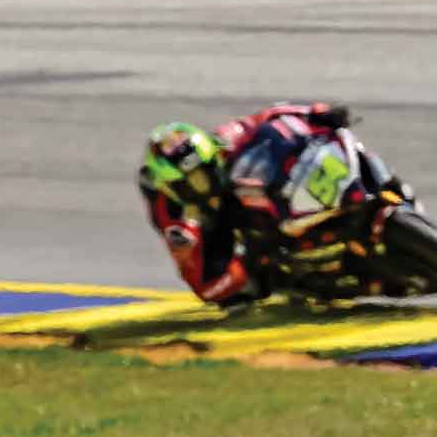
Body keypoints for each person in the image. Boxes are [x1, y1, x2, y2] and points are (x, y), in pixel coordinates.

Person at [137, 102, 408, 304]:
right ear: (176, 186)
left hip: (249, 194)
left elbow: (272, 116)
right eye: (195, 180)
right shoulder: (172, 213)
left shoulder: (225, 140)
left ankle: (384, 191)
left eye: (207, 168)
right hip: (224, 231)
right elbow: (202, 286)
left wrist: (317, 112)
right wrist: (244, 262)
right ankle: (299, 281)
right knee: (234, 295)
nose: (206, 179)